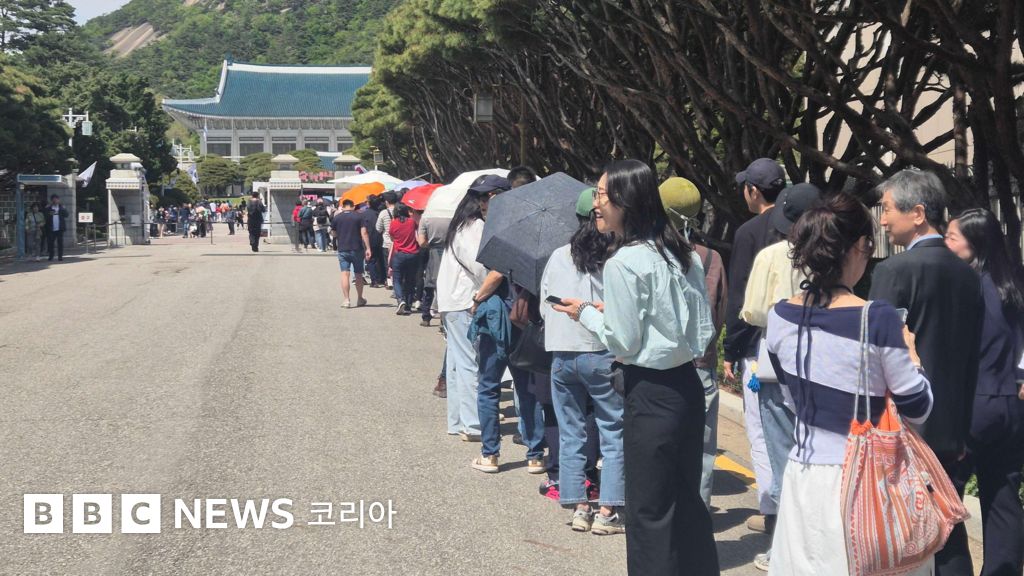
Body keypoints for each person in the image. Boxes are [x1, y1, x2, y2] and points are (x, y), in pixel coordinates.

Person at [554, 160, 718, 575]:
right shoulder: (682, 253)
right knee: (686, 501)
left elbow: (623, 342)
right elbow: (699, 327)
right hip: (687, 385)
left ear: (626, 201)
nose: (596, 203)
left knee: (649, 509)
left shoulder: (624, 262)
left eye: (602, 194)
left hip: (649, 391)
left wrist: (587, 314)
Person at [764, 191, 934, 575]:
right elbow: (918, 407)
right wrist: (914, 358)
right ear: (859, 245)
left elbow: (790, 397)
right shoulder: (878, 318)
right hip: (865, 480)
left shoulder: (780, 316)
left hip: (803, 475)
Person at [869, 169, 983, 576]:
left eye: (887, 209)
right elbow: (973, 357)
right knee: (947, 525)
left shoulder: (893, 271)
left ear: (917, 213)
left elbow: (875, 355)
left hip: (906, 424)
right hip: (954, 424)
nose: (883, 220)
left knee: (904, 531)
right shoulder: (969, 275)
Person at [738, 182, 823, 570]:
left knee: (782, 456)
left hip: (776, 367)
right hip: (822, 365)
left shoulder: (772, 256)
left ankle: (785, 548)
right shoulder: (832, 257)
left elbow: (753, 311)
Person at [540, 186, 625, 535]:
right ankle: (607, 511)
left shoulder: (558, 255)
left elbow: (546, 304)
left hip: (562, 355)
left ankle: (579, 506)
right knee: (613, 431)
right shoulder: (616, 256)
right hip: (602, 352)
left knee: (570, 431)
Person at [945, 208, 1024, 576]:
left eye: (951, 238)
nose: (945, 244)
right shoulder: (1014, 287)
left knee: (946, 495)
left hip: (973, 404)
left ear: (973, 245)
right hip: (1012, 404)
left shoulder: (967, 288)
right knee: (1003, 495)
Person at [723, 157, 786, 534]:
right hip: (807, 342)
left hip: (759, 345)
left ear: (753, 191)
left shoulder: (749, 232)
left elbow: (740, 297)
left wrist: (730, 350)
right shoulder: (806, 225)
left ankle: (773, 511)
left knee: (762, 432)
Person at [658, 177, 727, 510]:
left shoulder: (650, 254)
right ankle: (698, 512)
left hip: (659, 365)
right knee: (702, 445)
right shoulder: (711, 258)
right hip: (700, 363)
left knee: (662, 442)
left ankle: (665, 510)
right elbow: (720, 312)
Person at [436, 181, 494, 443]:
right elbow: (479, 266)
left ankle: (458, 420)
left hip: (451, 300)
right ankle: (472, 423)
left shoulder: (459, 225)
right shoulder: (474, 227)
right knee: (470, 363)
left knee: (457, 363)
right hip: (464, 300)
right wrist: (489, 286)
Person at [331, 199, 371, 308]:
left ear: (343, 206)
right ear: (353, 206)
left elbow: (334, 234)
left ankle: (346, 300)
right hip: (357, 248)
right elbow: (364, 233)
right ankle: (360, 298)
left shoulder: (337, 217)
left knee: (345, 274)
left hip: (343, 248)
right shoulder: (359, 216)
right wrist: (368, 248)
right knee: (358, 274)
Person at [389, 203, 421, 315]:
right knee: (410, 280)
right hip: (413, 254)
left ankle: (400, 299)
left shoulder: (393, 223)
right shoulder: (412, 222)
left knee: (397, 279)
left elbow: (392, 238)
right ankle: (408, 305)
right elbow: (417, 232)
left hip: (399, 254)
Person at [376, 192, 398, 286]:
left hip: (387, 242)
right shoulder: (401, 210)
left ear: (386, 202)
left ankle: (390, 281)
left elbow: (378, 228)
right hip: (400, 242)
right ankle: (398, 281)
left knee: (388, 263)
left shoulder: (383, 213)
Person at [44, 194, 68, 261]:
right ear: (51, 200)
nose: (55, 201)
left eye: (56, 199)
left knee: (60, 243)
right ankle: (51, 256)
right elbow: (46, 217)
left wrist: (64, 209)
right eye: (53, 199)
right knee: (51, 243)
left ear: (58, 200)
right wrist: (49, 211)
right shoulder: (49, 208)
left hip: (60, 228)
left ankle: (60, 256)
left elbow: (66, 215)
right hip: (51, 228)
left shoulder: (61, 207)